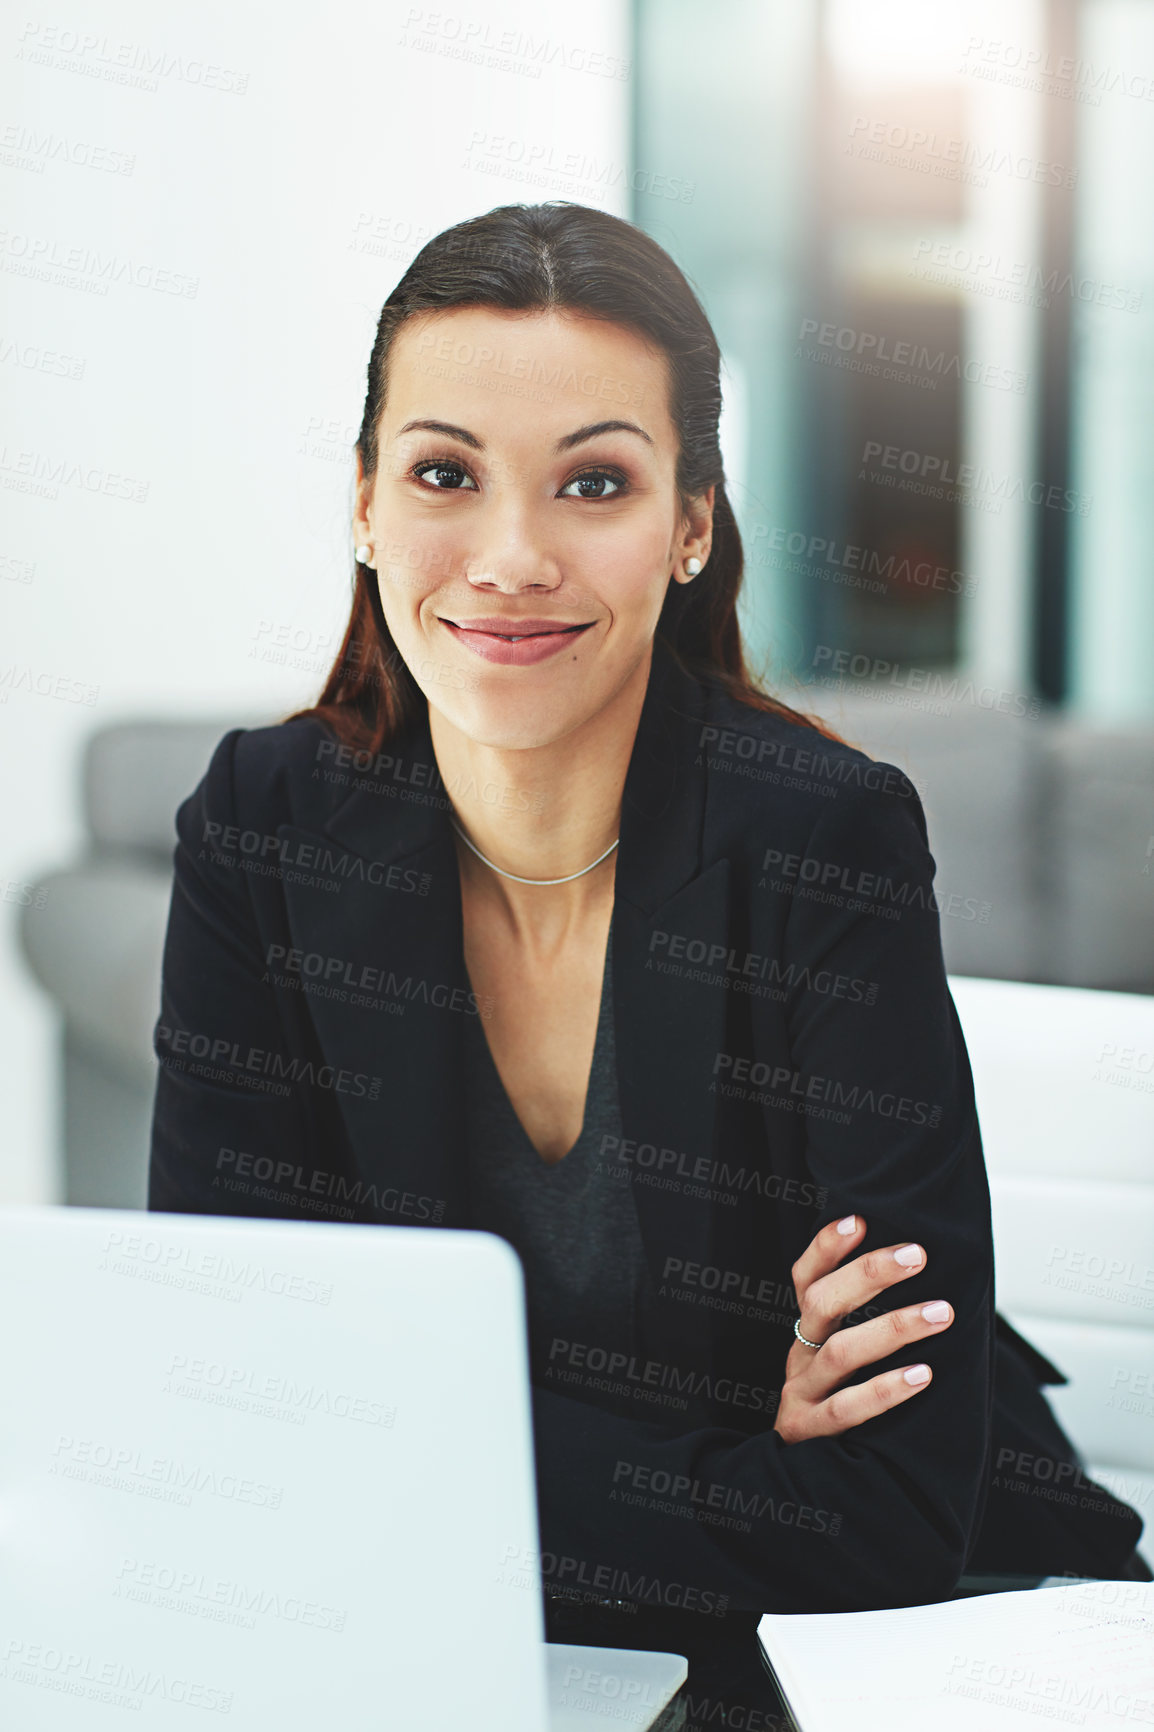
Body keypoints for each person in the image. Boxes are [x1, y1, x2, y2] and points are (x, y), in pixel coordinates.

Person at [148, 201, 1147, 1666]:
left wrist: (412, 1458)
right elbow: (240, 1413)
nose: (509, 557)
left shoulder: (825, 839)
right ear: (363, 504)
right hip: (486, 1648)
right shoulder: (262, 828)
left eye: (592, 484)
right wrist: (740, 1454)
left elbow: (885, 1509)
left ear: (689, 524)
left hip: (899, 1651)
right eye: (444, 473)